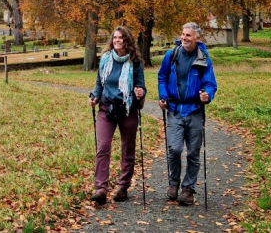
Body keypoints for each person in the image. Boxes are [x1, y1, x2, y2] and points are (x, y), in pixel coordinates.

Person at [158, 22, 218, 206]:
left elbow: (210, 83)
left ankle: (188, 189)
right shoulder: (172, 54)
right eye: (183, 34)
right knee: (174, 149)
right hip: (175, 109)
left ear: (196, 38)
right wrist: (163, 96)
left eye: (188, 35)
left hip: (194, 110)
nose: (184, 38)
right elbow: (162, 77)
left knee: (193, 152)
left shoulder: (203, 57)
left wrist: (207, 95)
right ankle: (173, 184)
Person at [89, 26, 147, 205]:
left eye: (120, 38)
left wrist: (140, 92)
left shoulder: (134, 62)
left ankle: (123, 186)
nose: (117, 40)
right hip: (106, 109)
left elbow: (141, 86)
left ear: (127, 40)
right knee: (103, 147)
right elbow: (100, 82)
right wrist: (95, 96)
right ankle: (101, 189)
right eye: (114, 38)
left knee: (128, 148)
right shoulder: (106, 59)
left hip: (127, 109)